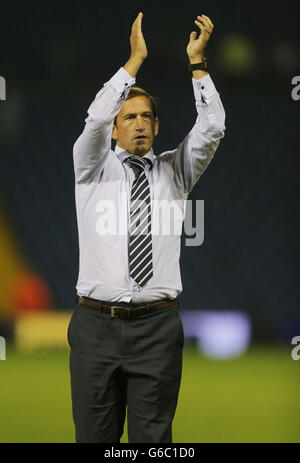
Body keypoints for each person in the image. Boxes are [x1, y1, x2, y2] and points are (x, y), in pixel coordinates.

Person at [68, 12, 225, 443]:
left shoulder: (176, 171)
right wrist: (133, 62)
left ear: (156, 127)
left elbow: (212, 128)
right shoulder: (90, 169)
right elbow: (94, 120)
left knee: (153, 445)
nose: (138, 122)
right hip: (94, 327)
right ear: (116, 130)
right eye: (129, 116)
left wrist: (198, 65)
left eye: (146, 117)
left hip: (157, 329)